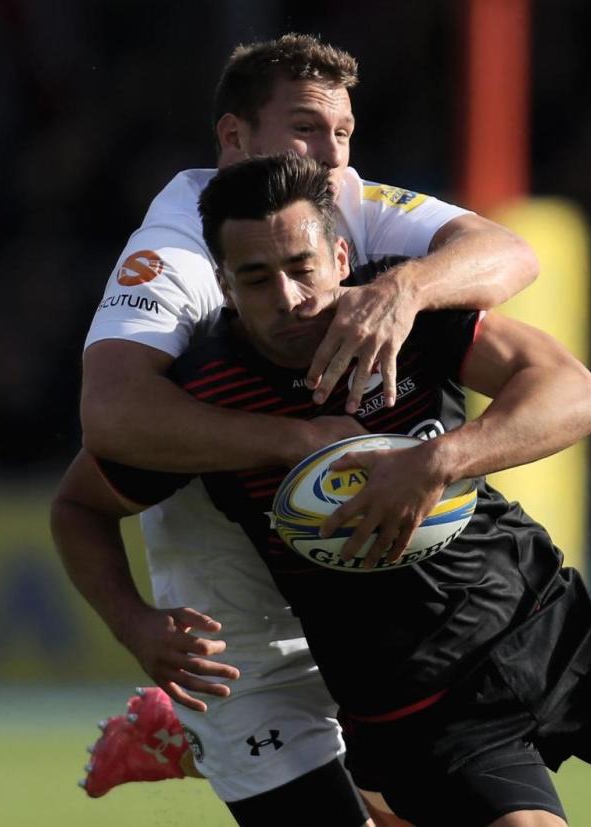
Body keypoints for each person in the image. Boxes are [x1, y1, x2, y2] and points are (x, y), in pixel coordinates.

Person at [59, 154, 591, 827]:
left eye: (302, 267)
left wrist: (434, 463)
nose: (290, 298)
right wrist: (133, 621)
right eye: (257, 279)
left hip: (557, 626)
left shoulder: (401, 315)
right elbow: (80, 506)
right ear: (225, 286)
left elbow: (577, 395)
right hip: (425, 715)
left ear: (339, 254)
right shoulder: (204, 397)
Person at [57, 33, 536, 825]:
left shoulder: (340, 202)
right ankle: (194, 726)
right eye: (308, 129)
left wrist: (407, 288)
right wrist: (294, 439)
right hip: (238, 632)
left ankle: (179, 736)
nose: (332, 154)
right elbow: (108, 415)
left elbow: (510, 253)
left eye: (343, 133)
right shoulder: (175, 250)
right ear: (234, 140)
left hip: (358, 598)